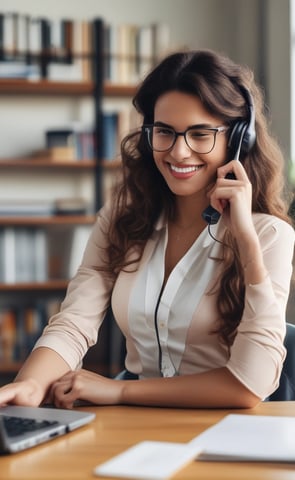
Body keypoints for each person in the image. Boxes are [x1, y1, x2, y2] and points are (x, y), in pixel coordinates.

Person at [0, 49, 294, 410]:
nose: (179, 152)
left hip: (229, 433)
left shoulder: (269, 236)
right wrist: (31, 383)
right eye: (164, 132)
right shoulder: (124, 217)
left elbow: (249, 385)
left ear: (237, 140)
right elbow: (76, 319)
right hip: (134, 425)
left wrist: (246, 244)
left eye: (200, 134)